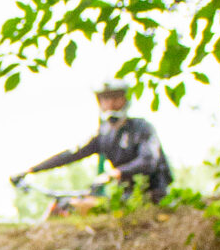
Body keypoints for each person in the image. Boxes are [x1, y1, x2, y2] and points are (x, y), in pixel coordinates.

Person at [11, 78, 172, 207]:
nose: (110, 103)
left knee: (84, 206)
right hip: (125, 196)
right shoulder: (104, 135)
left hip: (152, 196)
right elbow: (71, 154)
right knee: (62, 206)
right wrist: (32, 170)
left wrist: (114, 173)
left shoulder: (142, 128)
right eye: (105, 99)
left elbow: (149, 160)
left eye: (115, 98)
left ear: (125, 99)